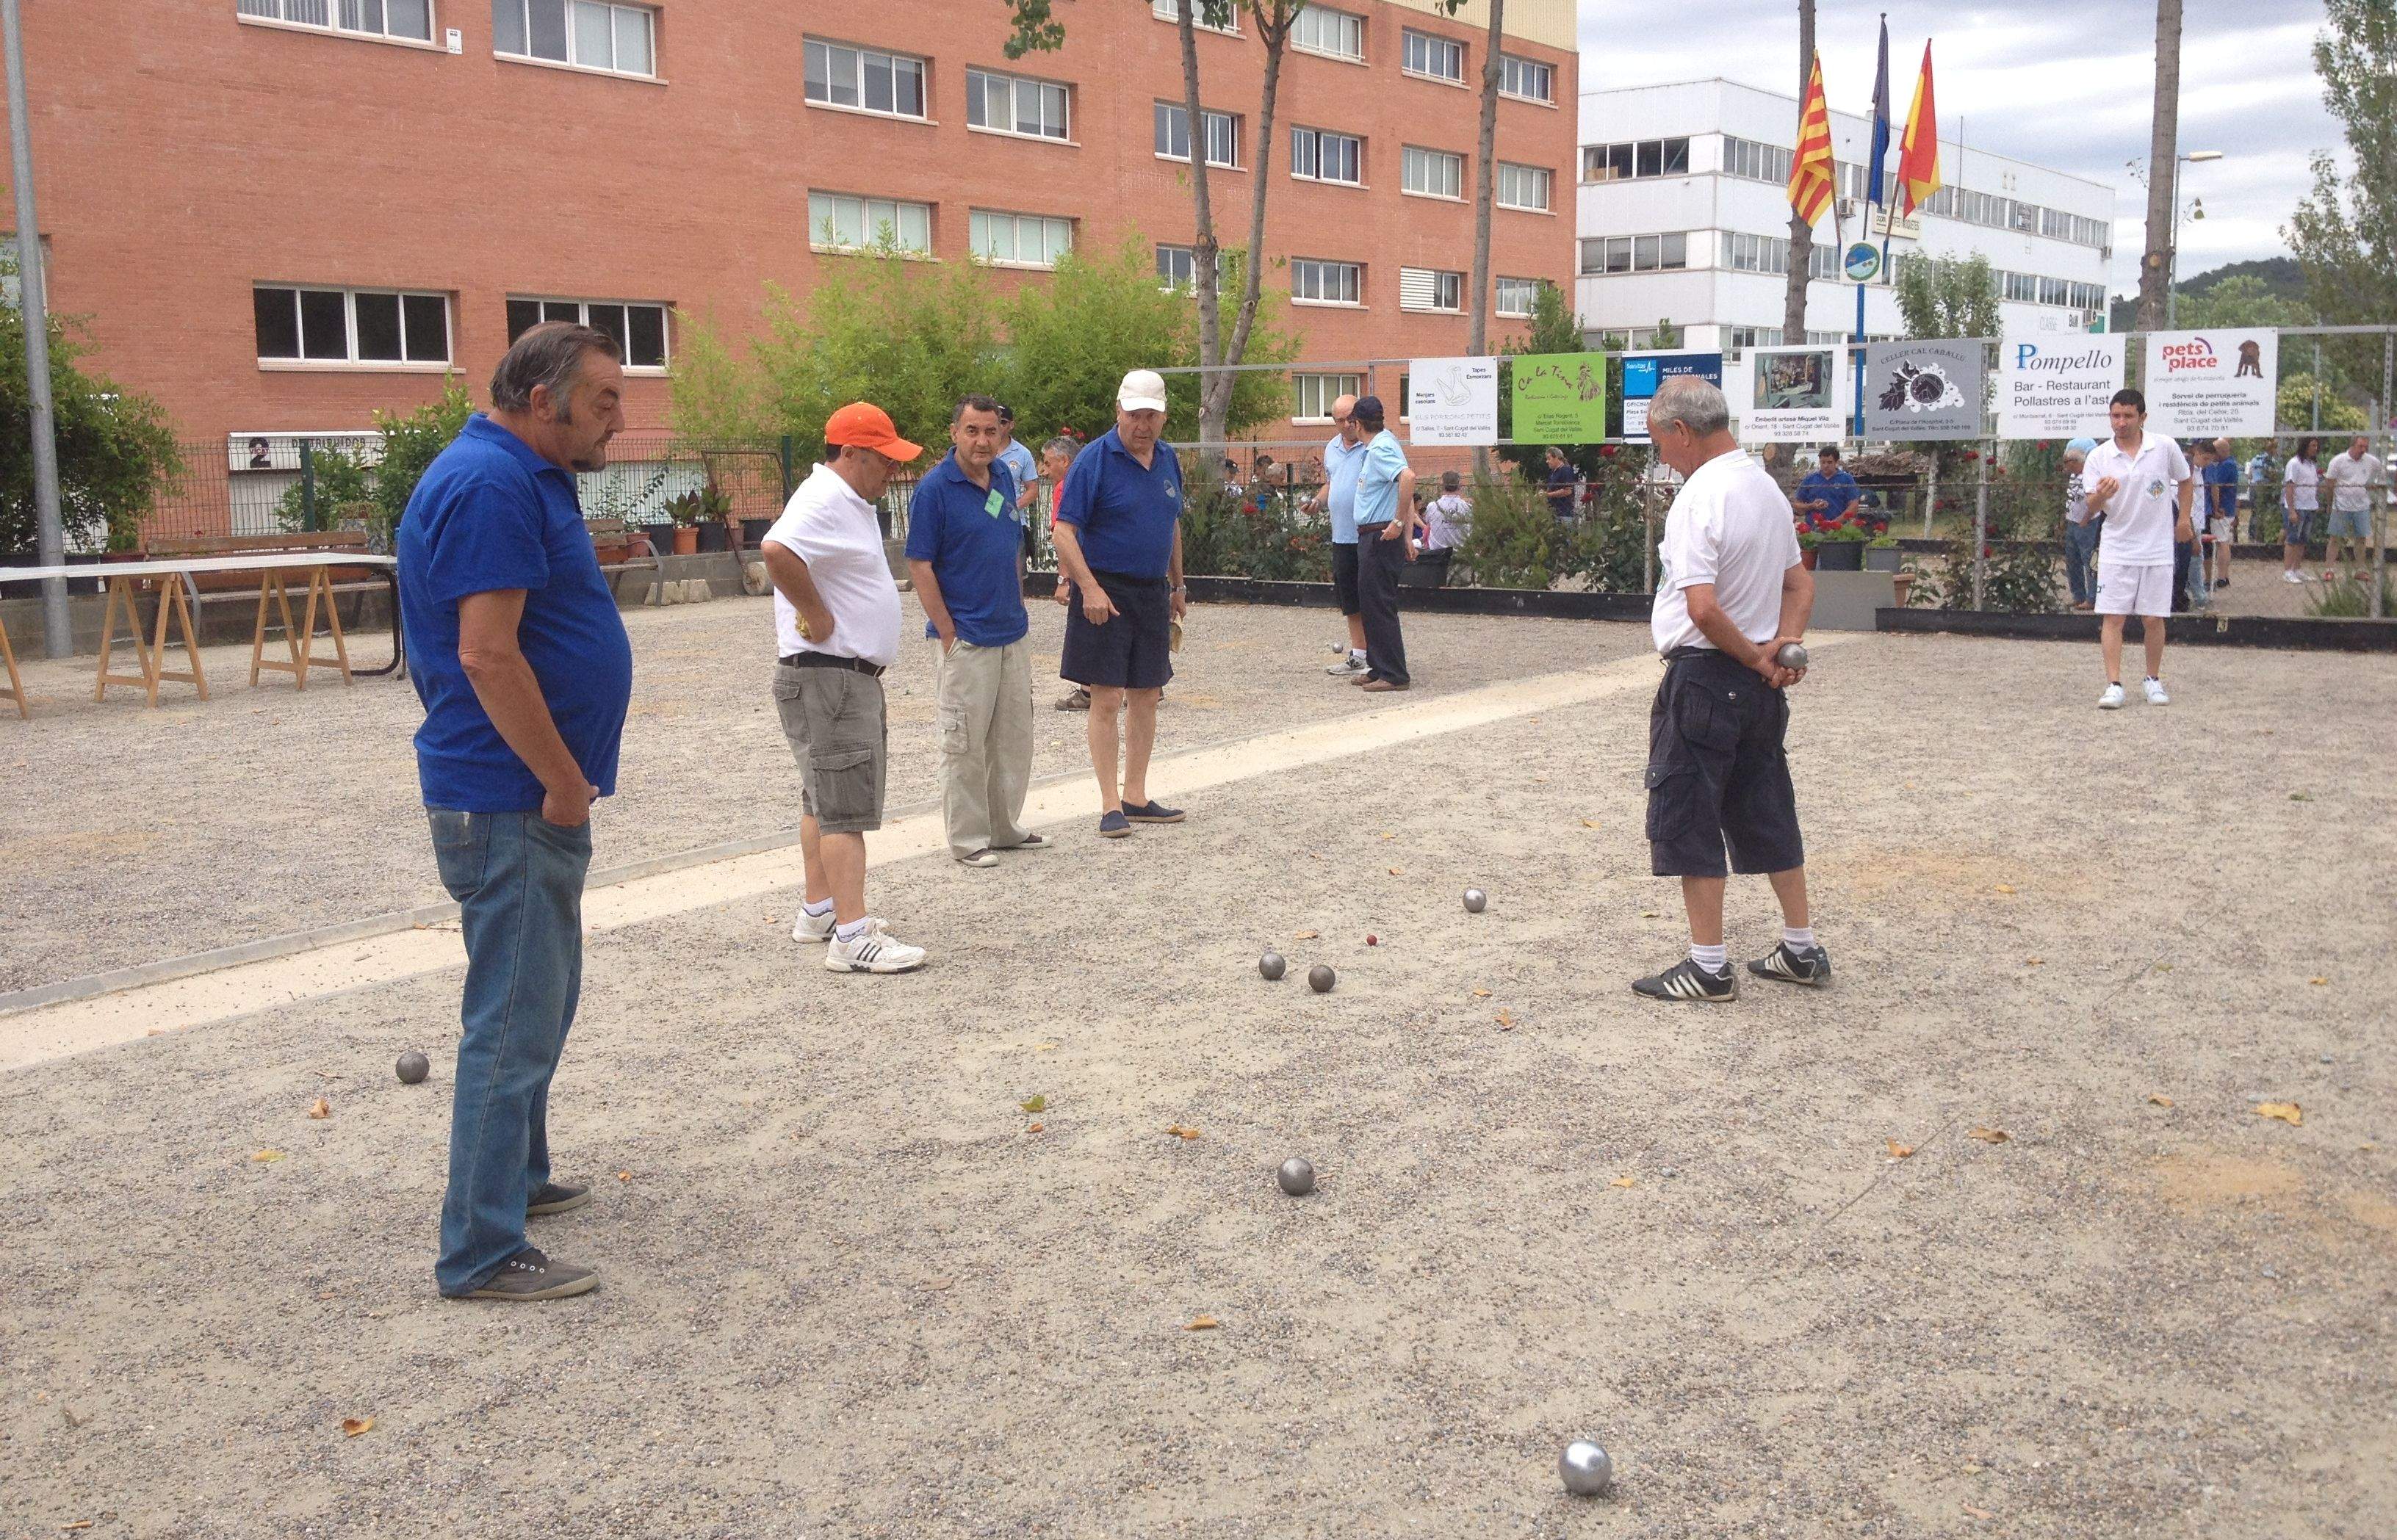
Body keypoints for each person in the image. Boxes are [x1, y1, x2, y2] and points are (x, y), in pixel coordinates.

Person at [399, 322, 634, 1302]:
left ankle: (521, 1180)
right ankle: (481, 1248)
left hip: (521, 792)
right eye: (606, 399)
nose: (620, 417)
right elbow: (485, 655)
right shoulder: (492, 483)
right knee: (511, 1017)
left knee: (542, 996)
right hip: (511, 797)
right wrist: (561, 781)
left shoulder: (522, 473)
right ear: (544, 402)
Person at [1629, 375, 1820, 1004]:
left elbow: (1704, 610)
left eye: (1660, 441)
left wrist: (1756, 659)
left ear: (1681, 431)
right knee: (1766, 806)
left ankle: (1708, 966)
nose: (1660, 455)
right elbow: (1799, 585)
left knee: (1689, 815)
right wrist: (1781, 650)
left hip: (1707, 676)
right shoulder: (1764, 488)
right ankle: (1800, 946)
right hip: (1758, 688)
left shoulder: (1698, 497)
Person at [763, 402, 929, 973]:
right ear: (851, 453)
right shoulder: (824, 497)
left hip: (834, 676)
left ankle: (821, 910)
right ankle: (852, 936)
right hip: (830, 675)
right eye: (883, 459)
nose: (892, 470)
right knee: (844, 808)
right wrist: (817, 612)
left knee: (822, 798)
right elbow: (776, 550)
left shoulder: (845, 499)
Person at [907, 395, 1046, 869]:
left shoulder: (1004, 477)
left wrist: (1018, 602)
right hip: (965, 637)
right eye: (973, 431)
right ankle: (968, 840)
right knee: (964, 743)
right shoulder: (934, 490)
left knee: (1011, 738)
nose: (983, 440)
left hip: (1011, 631)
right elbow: (920, 564)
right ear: (955, 433)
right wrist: (947, 632)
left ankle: (1004, 827)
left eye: (991, 431)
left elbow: (1008, 541)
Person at [1052, 369, 1189, 838]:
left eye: (1151, 415)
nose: (1142, 425)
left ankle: (1136, 794)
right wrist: (1089, 588)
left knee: (1148, 695)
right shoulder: (1094, 460)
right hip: (1104, 591)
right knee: (1106, 696)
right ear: (1119, 411)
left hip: (1152, 592)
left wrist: (1178, 585)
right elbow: (1063, 532)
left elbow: (1171, 524)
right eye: (1134, 415)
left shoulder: (1168, 458)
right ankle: (1110, 803)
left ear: (1163, 417)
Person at [2083, 388, 2194, 709]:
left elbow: (2185, 481)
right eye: (2116, 416)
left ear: (2142, 417)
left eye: (2128, 415)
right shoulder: (2099, 457)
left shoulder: (2164, 447)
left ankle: (2152, 679)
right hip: (2117, 548)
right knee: (2113, 618)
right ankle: (2114, 684)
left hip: (2157, 547)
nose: (2121, 422)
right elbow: (2088, 509)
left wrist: (2183, 519)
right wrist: (2100, 495)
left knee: (2153, 618)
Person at [1349, 395, 1418, 693]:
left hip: (1379, 535)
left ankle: (1394, 673)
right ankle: (1379, 667)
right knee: (1371, 603)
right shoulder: (1379, 445)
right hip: (1374, 535)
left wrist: (1400, 523)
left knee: (1379, 604)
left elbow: (1407, 477)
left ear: (1358, 423)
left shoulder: (1380, 448)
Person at [1304, 394, 1370, 678]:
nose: (1346, 425)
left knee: (1371, 597)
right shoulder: (1332, 447)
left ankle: (1379, 655)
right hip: (1341, 535)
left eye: (1350, 418)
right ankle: (1359, 655)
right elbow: (1332, 483)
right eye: (1339, 420)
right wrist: (1317, 502)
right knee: (1350, 599)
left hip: (1368, 534)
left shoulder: (1373, 446)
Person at [2320, 433, 2384, 586]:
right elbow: (2330, 483)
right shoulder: (2338, 461)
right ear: (2353, 445)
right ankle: (2329, 569)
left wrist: (2374, 485)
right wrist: (2330, 503)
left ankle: (2359, 569)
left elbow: (2382, 474)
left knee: (2361, 538)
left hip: (2362, 505)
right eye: (2360, 446)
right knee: (2335, 538)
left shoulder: (2371, 461)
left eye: (2365, 447)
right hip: (2341, 505)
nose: (2363, 450)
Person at [994, 403, 1039, 562]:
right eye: (996, 421)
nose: (998, 426)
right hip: (984, 520)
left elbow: (1033, 489)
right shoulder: (982, 449)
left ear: (1011, 425)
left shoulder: (1023, 453)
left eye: (1003, 422)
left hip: (1013, 521)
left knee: (1015, 575)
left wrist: (1011, 506)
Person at [2061, 438, 2101, 612]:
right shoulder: (2073, 476)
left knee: (2089, 560)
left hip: (2089, 523)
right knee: (2072, 560)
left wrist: (2086, 517)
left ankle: (2093, 598)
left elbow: (2094, 501)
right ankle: (2078, 595)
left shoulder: (2090, 476)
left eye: (2069, 461)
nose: (2066, 465)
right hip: (2073, 522)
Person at [2281, 436, 2321, 584]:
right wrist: (2291, 510)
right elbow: (2290, 487)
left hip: (2309, 506)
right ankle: (2288, 571)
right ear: (2305, 446)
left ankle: (2297, 568)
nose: (2315, 448)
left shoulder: (2311, 465)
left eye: (2316, 446)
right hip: (2297, 507)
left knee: (2302, 540)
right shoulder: (2294, 463)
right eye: (2312, 445)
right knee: (2292, 538)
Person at [1793, 445, 1860, 530]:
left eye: (1829, 462)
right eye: (1823, 462)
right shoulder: (1810, 480)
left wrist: (1834, 524)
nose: (1826, 466)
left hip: (1840, 530)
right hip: (1813, 530)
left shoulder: (1846, 479)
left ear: (1836, 462)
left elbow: (1854, 506)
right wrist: (1812, 506)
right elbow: (1797, 505)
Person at [2202, 436, 2238, 591]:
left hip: (2222, 509)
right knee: (2223, 541)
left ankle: (2222, 577)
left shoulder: (2226, 466)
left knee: (2222, 542)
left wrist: (2217, 507)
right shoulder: (2230, 464)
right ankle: (2223, 576)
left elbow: (2216, 485)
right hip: (2226, 507)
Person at [2245, 444, 2277, 541]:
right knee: (2263, 512)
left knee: (2254, 512)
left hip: (2254, 487)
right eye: (2275, 448)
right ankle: (2260, 536)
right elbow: (2273, 476)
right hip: (2264, 488)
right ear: (2271, 449)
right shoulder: (2271, 461)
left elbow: (2250, 476)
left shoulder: (2255, 459)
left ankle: (2252, 535)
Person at [1542, 446, 1578, 521]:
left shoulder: (1566, 470)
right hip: (1554, 513)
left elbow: (1568, 491)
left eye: (1549, 458)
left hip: (1564, 514)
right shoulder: (1553, 472)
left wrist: (1547, 495)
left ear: (1557, 458)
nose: (1547, 461)